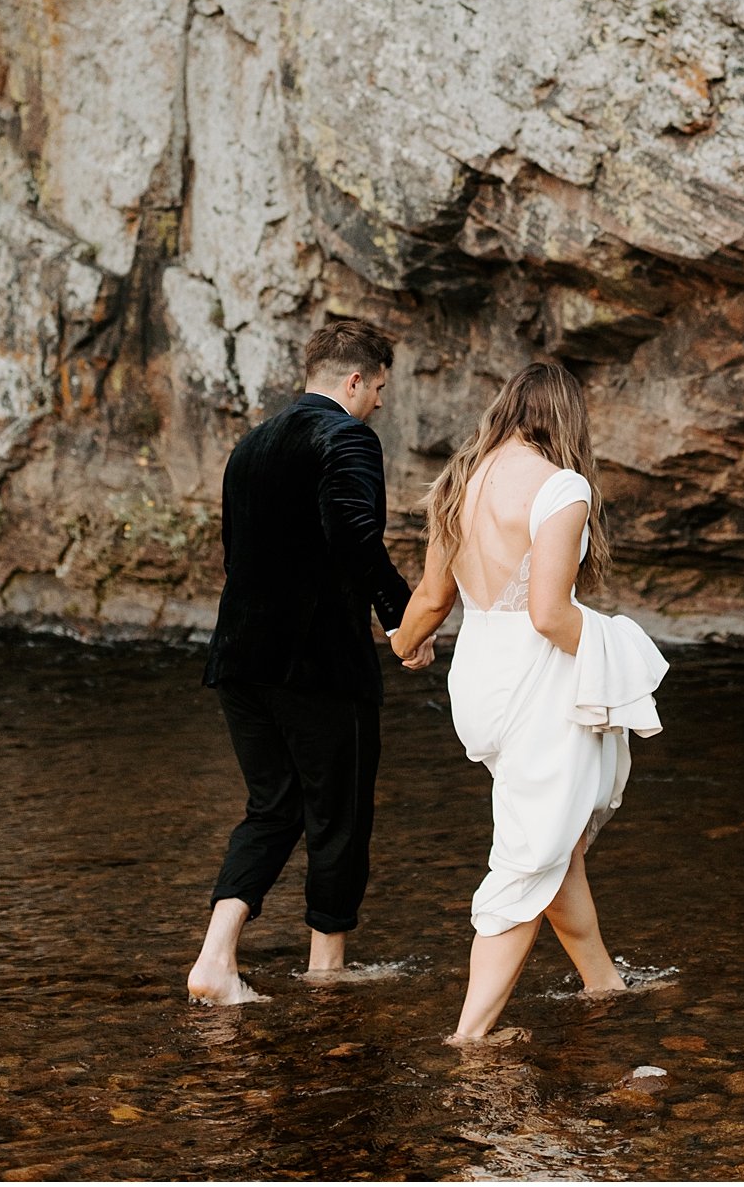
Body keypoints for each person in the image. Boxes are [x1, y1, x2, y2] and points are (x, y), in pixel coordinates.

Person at [388, 360, 669, 1043]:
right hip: (536, 678)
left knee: (554, 840)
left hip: (479, 675)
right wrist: (620, 650)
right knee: (528, 854)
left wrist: (404, 645)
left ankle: (603, 980)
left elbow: (430, 599)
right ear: (566, 418)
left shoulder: (461, 481)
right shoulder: (561, 485)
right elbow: (548, 613)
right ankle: (471, 1037)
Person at [187, 319, 431, 1004]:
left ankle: (216, 958)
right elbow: (355, 537)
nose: (380, 402)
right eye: (379, 387)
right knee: (340, 811)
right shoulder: (347, 437)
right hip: (317, 661)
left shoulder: (249, 445)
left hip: (238, 656)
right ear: (354, 380)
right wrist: (403, 621)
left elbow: (237, 556)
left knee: (274, 805)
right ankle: (327, 972)